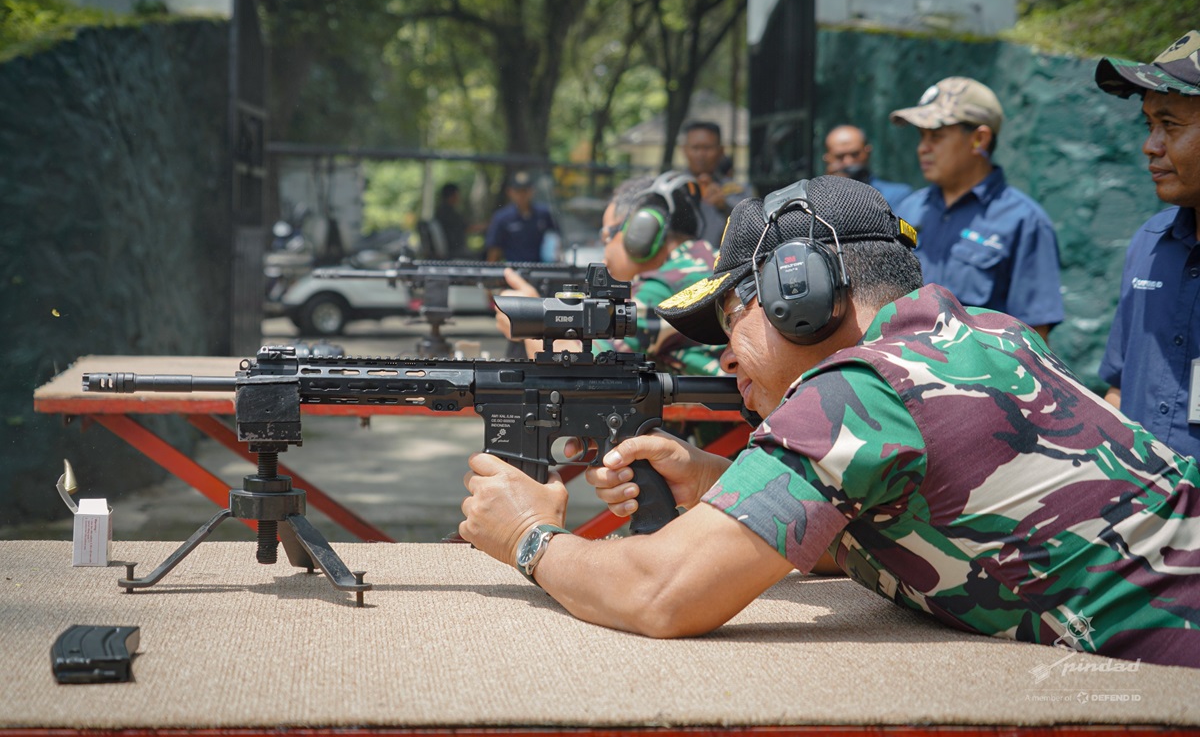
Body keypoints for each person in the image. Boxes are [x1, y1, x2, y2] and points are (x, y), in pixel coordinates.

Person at [459, 175, 1200, 669]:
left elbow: (661, 594)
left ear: (797, 295)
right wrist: (723, 484)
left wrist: (528, 536)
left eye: (729, 317)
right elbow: (944, 535)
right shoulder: (990, 334)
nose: (723, 360)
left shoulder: (863, 389)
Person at [888, 77, 1064, 341]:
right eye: (922, 136)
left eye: (936, 136)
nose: (923, 148)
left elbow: (1033, 338)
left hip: (978, 381)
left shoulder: (1024, 221)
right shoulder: (909, 209)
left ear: (979, 139)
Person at [498, 171, 723, 377]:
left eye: (607, 236)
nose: (604, 254)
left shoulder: (663, 288)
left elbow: (579, 371)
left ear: (640, 232)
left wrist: (528, 321)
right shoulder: (709, 260)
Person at [1095, 30, 1200, 460]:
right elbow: (1119, 388)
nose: (1150, 146)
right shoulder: (1149, 243)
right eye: (1149, 124)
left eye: (1169, 125)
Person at [680, 121, 748, 248]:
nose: (701, 154)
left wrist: (724, 206)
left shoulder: (737, 190)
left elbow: (751, 226)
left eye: (707, 148)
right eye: (695, 148)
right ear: (684, 150)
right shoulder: (674, 189)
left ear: (721, 151)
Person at [823, 124, 912, 208]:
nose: (848, 162)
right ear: (828, 159)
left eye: (855, 154)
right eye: (840, 157)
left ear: (867, 152)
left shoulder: (896, 196)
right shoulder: (818, 200)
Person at [484, 170, 559, 263]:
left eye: (525, 191)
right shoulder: (502, 217)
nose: (522, 195)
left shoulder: (544, 214)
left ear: (532, 191)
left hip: (542, 270)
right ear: (509, 192)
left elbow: (556, 241)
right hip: (514, 270)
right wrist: (493, 274)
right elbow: (494, 250)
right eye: (518, 191)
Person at [433, 182, 469, 258]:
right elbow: (467, 228)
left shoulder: (440, 211)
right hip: (454, 252)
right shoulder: (449, 213)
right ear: (453, 195)